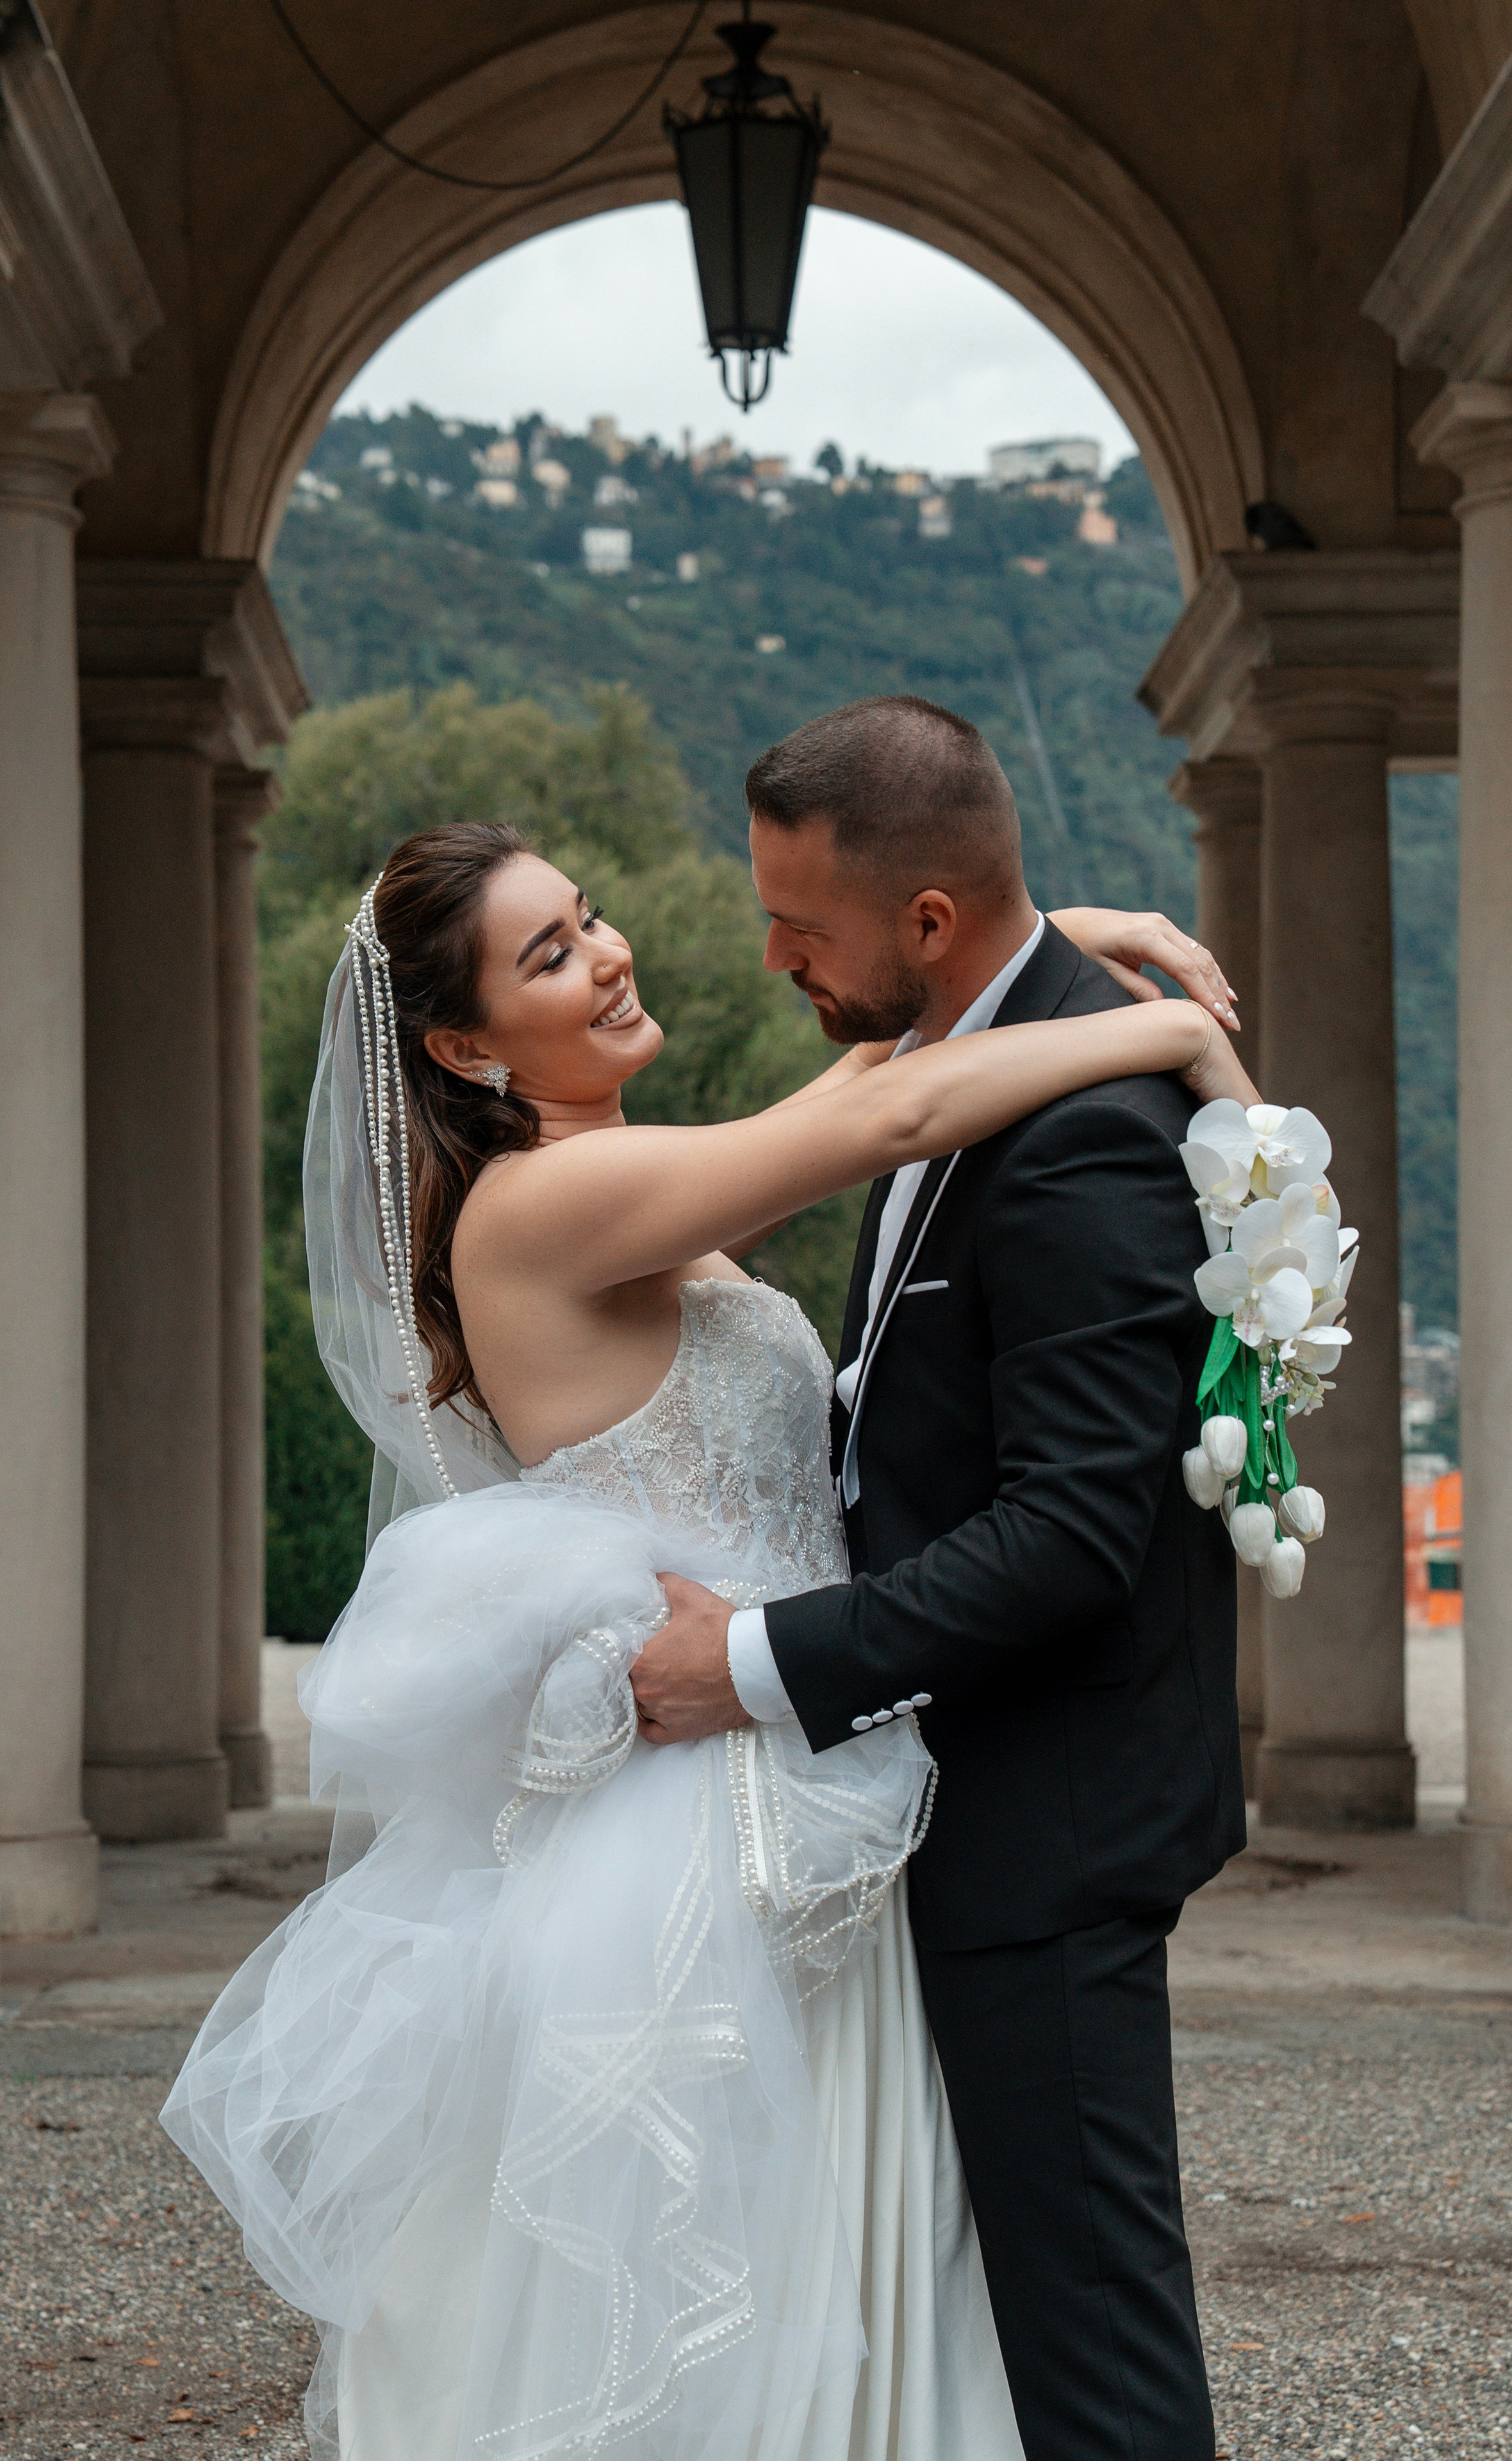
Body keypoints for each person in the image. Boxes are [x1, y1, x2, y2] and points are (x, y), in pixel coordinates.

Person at [163, 696, 1256, 2461]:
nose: (604, 954)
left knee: (867, 2275)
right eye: (545, 954)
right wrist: (1168, 1043)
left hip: (801, 1783)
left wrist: (1068, 948)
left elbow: (878, 1073)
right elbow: (897, 1117)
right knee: (726, 2308)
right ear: (459, 1049)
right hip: (703, 1826)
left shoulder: (627, 1176)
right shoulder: (533, 1212)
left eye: (585, 913)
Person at [633, 695, 1251, 2461]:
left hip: (1049, 1820)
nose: (773, 960)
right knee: (1012, 2317)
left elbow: (1071, 1536)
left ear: (925, 926)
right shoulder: (974, 1060)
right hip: (964, 1804)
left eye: (801, 931)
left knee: (1094, 2338)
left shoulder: (1079, 1130)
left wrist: (747, 1663)